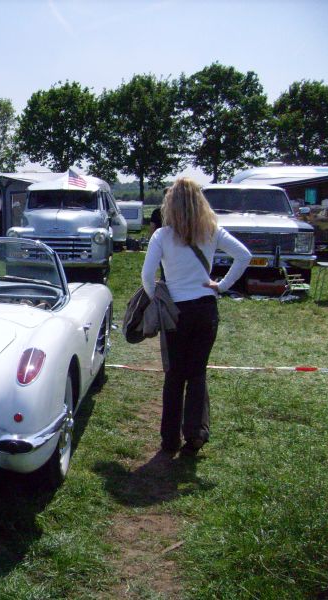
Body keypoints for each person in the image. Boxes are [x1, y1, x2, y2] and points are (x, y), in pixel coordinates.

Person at [141, 177, 251, 457]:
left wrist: (158, 297)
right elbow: (244, 255)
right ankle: (195, 435)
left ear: (170, 204)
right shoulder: (212, 231)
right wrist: (221, 286)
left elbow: (146, 276)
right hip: (205, 308)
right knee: (197, 373)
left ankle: (169, 440)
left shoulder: (162, 236)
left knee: (174, 375)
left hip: (176, 311)